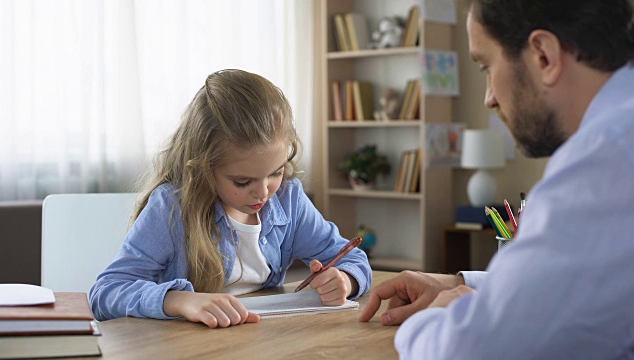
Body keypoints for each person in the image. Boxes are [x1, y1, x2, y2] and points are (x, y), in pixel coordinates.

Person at [359, 0, 634, 358]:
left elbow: (471, 350)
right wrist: (461, 283)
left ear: (544, 56)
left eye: (486, 66)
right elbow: (582, 277)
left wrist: (432, 319)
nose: (489, 98)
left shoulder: (605, 161)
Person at [90, 69, 372, 328]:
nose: (263, 192)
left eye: (275, 172)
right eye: (242, 181)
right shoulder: (171, 208)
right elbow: (106, 292)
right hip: (182, 347)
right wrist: (178, 300)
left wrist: (345, 280)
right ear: (204, 167)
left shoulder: (288, 198)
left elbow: (352, 257)